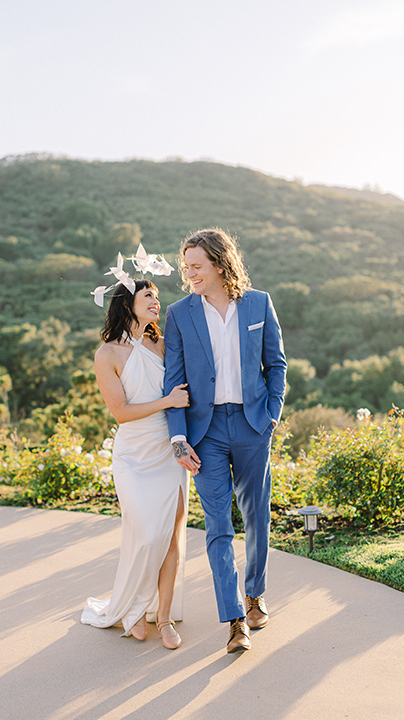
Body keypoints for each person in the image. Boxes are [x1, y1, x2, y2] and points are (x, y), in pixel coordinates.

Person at [164, 228, 287, 653]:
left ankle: (255, 593)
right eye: (186, 267)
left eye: (196, 266)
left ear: (218, 263)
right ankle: (235, 620)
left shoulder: (258, 303)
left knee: (257, 518)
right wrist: (178, 437)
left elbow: (277, 364)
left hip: (254, 425)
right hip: (206, 432)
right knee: (219, 526)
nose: (189, 274)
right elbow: (173, 379)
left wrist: (272, 414)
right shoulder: (180, 314)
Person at [80, 279, 190, 650]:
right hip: (132, 455)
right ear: (128, 303)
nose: (156, 301)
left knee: (171, 536)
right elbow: (122, 413)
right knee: (145, 533)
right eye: (148, 296)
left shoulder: (163, 344)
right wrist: (168, 401)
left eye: (157, 296)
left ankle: (162, 616)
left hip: (167, 450)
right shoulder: (106, 355)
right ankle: (135, 609)